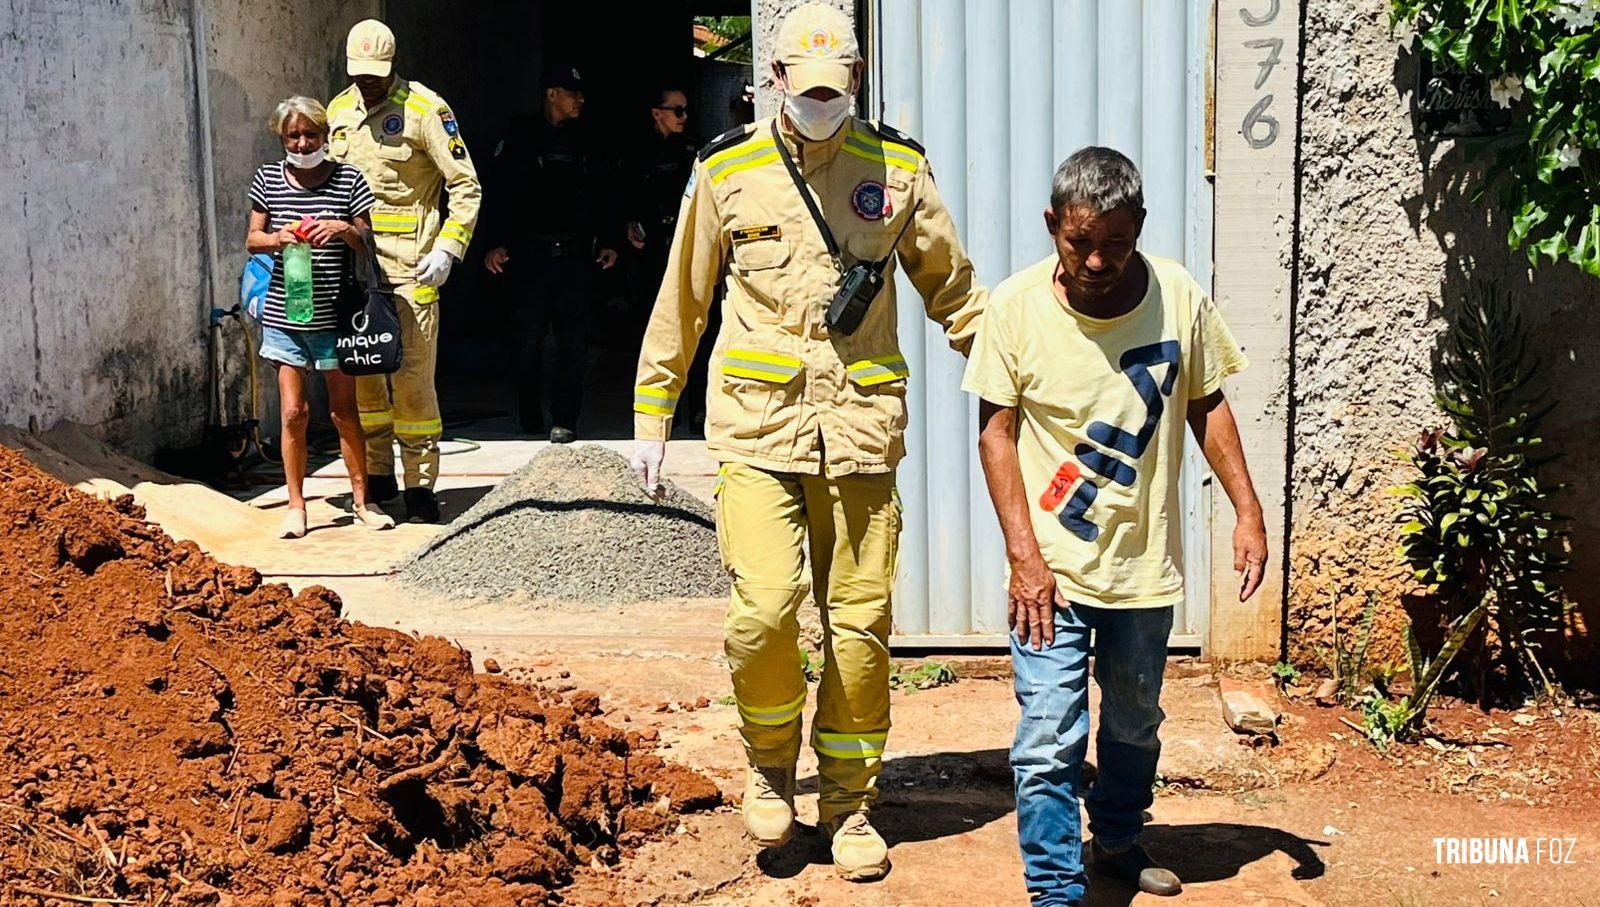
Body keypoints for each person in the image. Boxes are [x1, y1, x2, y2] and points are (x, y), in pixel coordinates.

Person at [630, 3, 986, 882]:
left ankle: (851, 802)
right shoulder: (726, 171)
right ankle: (767, 765)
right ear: (774, 81)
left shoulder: (895, 169)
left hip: (860, 432)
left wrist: (1022, 373)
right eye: (804, 86)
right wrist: (652, 406)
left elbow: (953, 288)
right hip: (757, 427)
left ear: (854, 82)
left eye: (837, 89)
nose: (821, 101)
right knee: (764, 613)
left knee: (860, 627)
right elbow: (685, 295)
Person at [963, 147, 1268, 906]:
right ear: (1051, 226)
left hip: (1140, 569)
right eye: (1078, 242)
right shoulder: (1015, 306)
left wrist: (1249, 510)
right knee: (1046, 743)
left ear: (1140, 227)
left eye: (1116, 243)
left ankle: (1120, 839)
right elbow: (994, 433)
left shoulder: (1178, 297)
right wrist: (1024, 555)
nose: (1097, 260)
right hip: (1051, 576)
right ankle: (1057, 889)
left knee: (1134, 722)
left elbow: (1206, 401)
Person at [326, 19, 481, 523]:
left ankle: (420, 485)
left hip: (414, 268)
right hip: (357, 269)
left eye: (376, 73)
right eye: (359, 73)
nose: (367, 82)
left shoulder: (425, 110)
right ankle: (377, 474)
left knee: (413, 381)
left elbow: (466, 186)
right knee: (365, 373)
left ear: (392, 65)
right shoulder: (338, 111)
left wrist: (448, 249)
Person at [245, 96, 395, 539]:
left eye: (310, 133)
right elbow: (252, 239)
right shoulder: (268, 178)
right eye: (293, 135)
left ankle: (363, 500)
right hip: (285, 313)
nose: (303, 142)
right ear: (281, 138)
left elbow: (367, 238)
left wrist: (343, 229)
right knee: (293, 413)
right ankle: (296, 504)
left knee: (345, 412)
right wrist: (279, 238)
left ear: (325, 135)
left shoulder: (348, 180)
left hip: (336, 316)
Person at [481, 64, 619, 443]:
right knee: (525, 343)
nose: (580, 100)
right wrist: (493, 243)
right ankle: (528, 409)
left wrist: (609, 240)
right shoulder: (520, 135)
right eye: (572, 93)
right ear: (551, 94)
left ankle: (565, 418)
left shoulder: (590, 139)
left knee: (573, 344)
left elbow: (605, 192)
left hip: (576, 259)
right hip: (529, 260)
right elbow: (496, 192)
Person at [623, 86, 709, 430]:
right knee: (652, 328)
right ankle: (652, 413)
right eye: (677, 111)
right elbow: (623, 192)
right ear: (657, 113)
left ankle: (698, 410)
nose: (684, 117)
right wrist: (629, 224)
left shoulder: (695, 149)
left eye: (686, 110)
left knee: (698, 328)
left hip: (686, 246)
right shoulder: (636, 152)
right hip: (651, 251)